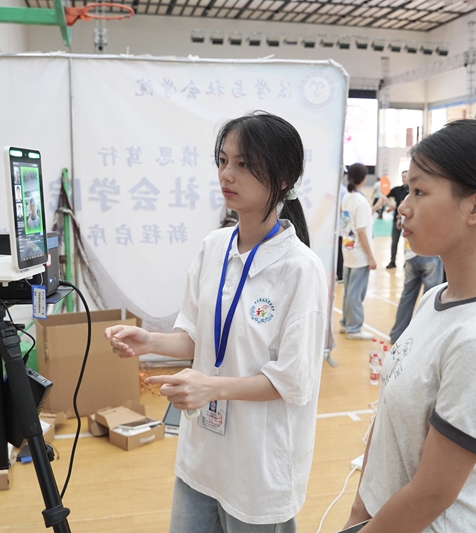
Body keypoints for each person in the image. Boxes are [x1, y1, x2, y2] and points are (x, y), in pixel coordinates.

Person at [105, 111, 328, 533]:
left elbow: (293, 382)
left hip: (257, 471)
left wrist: (211, 387)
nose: (227, 174)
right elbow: (194, 337)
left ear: (283, 178)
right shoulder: (214, 247)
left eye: (244, 164)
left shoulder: (301, 269)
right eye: (223, 160)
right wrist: (149, 341)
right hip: (201, 459)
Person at [344, 119, 476, 533]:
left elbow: (430, 495)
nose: (403, 207)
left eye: (419, 191)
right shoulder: (435, 299)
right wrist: (359, 511)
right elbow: (387, 429)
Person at [340, 163, 384, 341]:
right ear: (364, 178)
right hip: (359, 254)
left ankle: (346, 322)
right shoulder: (360, 201)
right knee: (356, 293)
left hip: (348, 249)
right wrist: (371, 257)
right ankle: (354, 328)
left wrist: (375, 208)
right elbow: (361, 231)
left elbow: (358, 221)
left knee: (349, 291)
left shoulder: (348, 197)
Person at [388, 237, 443, 343]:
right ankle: (424, 338)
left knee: (407, 296)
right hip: (430, 254)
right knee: (431, 299)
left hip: (410, 253)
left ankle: (397, 334)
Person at [386, 171, 409, 268]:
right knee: (394, 241)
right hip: (396, 219)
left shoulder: (412, 191)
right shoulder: (397, 190)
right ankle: (392, 261)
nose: (404, 179)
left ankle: (407, 261)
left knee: (407, 242)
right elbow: (385, 196)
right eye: (403, 177)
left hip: (407, 220)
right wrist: (391, 205)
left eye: (406, 177)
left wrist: (400, 218)